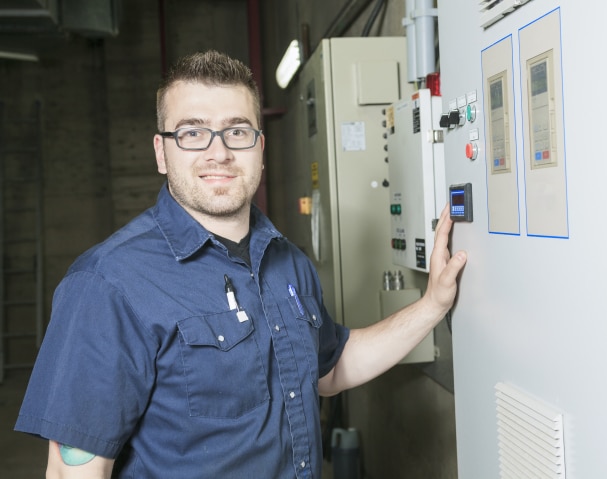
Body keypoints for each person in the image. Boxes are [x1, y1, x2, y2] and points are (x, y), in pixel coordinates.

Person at [15, 50, 467, 478]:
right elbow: (74, 472)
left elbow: (329, 371)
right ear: (161, 152)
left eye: (237, 131)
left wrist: (433, 304)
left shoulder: (288, 262)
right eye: (192, 132)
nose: (219, 153)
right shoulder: (108, 283)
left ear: (260, 147)